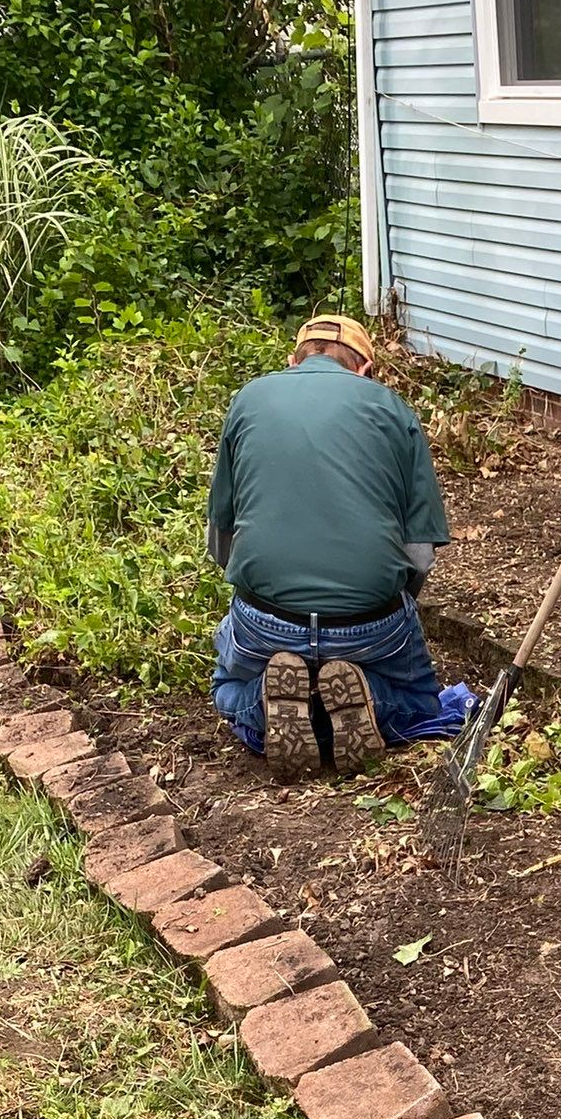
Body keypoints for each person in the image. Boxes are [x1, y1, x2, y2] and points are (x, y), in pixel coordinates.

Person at [206, 312, 476, 779]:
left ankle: (264, 704)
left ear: (293, 360)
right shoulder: (392, 409)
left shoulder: (249, 398)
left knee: (227, 684)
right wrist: (386, 602)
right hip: (368, 626)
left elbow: (221, 539)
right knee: (421, 702)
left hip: (267, 622)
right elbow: (419, 552)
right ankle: (368, 694)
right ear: (365, 369)